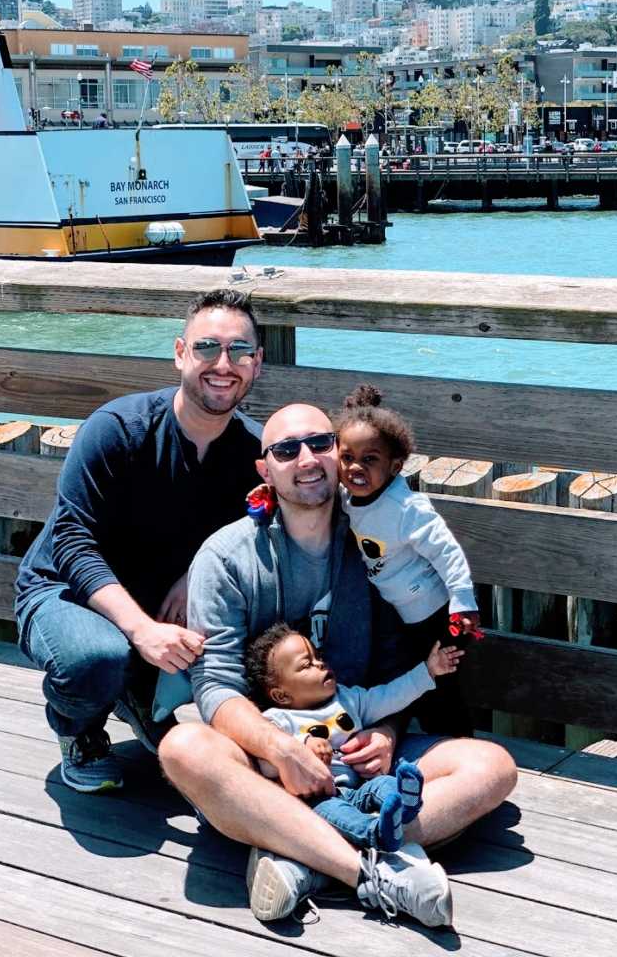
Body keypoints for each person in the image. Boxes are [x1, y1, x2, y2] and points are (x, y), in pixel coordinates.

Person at [158, 402, 518, 928]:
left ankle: (298, 853)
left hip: (355, 743)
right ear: (265, 470)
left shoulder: (380, 547)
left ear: (340, 454)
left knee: (493, 768)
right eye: (285, 450)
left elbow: (400, 661)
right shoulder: (226, 555)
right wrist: (282, 750)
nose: (306, 458)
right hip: (264, 759)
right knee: (182, 747)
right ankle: (366, 869)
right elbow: (215, 686)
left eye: (321, 444)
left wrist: (390, 732)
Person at [14, 289, 265, 793]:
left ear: (257, 364)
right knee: (94, 658)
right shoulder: (118, 429)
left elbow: (261, 533)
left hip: (162, 596)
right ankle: (80, 731)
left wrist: (196, 576)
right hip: (67, 590)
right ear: (179, 353)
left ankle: (139, 690)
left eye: (239, 351)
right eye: (206, 348)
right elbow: (70, 541)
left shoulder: (255, 452)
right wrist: (141, 631)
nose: (224, 364)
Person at [334, 384, 480, 736]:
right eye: (347, 457)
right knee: (410, 678)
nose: (356, 467)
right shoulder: (345, 496)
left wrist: (463, 603)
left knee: (441, 686)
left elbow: (447, 553)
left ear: (395, 466)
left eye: (370, 459)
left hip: (434, 616)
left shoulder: (406, 509)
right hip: (397, 615)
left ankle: (457, 746)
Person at [246, 622, 461, 852]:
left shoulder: (348, 699)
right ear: (281, 695)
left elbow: (389, 696)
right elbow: (267, 764)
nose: (320, 663)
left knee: (384, 784)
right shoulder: (278, 720)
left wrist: (427, 671)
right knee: (336, 815)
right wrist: (303, 746)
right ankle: (376, 833)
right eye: (307, 664)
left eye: (317, 656)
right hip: (321, 798)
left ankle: (405, 803)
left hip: (362, 786)